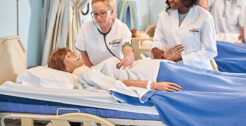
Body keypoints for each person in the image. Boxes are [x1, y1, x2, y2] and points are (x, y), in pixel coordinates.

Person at [151, 0, 217, 70]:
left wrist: (182, 57)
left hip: (197, 70)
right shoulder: (165, 15)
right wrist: (155, 50)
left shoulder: (204, 16)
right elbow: (159, 40)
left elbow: (210, 51)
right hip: (172, 69)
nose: (170, 0)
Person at [48, 48, 181, 92]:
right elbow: (118, 84)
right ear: (65, 68)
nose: (75, 55)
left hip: (156, 67)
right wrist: (154, 85)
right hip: (154, 74)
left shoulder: (90, 70)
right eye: (69, 56)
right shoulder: (85, 76)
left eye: (72, 52)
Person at [75, 0, 134, 68]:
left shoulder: (121, 28)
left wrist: (129, 57)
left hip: (116, 69)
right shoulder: (86, 28)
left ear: (112, 11)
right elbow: (83, 53)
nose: (98, 18)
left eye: (102, 13)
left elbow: (127, 48)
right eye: (95, 14)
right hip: (94, 70)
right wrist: (92, 69)